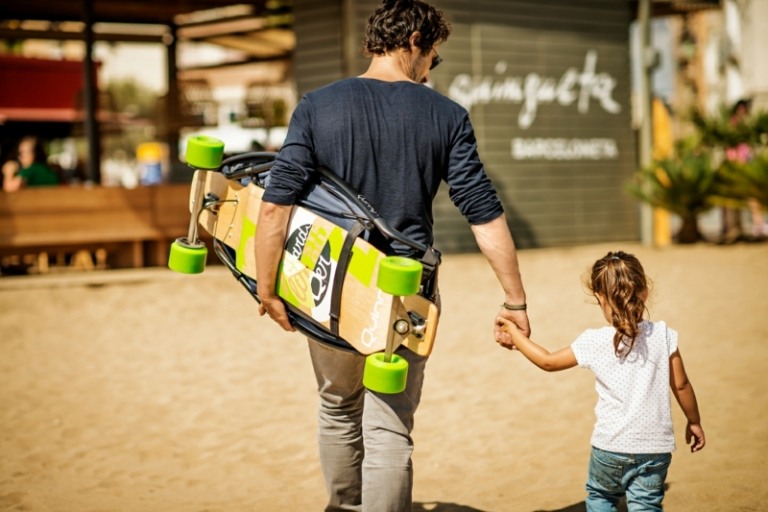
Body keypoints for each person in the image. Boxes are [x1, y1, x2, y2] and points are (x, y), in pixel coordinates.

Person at [253, 1, 530, 510]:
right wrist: (515, 299)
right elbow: (483, 214)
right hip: (406, 290)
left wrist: (266, 288)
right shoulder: (446, 115)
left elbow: (275, 208)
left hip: (328, 280)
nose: (431, 70)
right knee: (390, 425)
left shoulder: (317, 105)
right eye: (434, 59)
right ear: (415, 41)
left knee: (337, 406)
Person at [496, 251, 705, 512]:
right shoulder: (664, 335)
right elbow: (682, 385)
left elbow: (548, 361)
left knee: (601, 498)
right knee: (646, 505)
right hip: (656, 448)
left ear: (599, 297)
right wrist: (694, 421)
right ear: (645, 291)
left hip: (610, 446)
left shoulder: (594, 341)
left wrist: (516, 335)